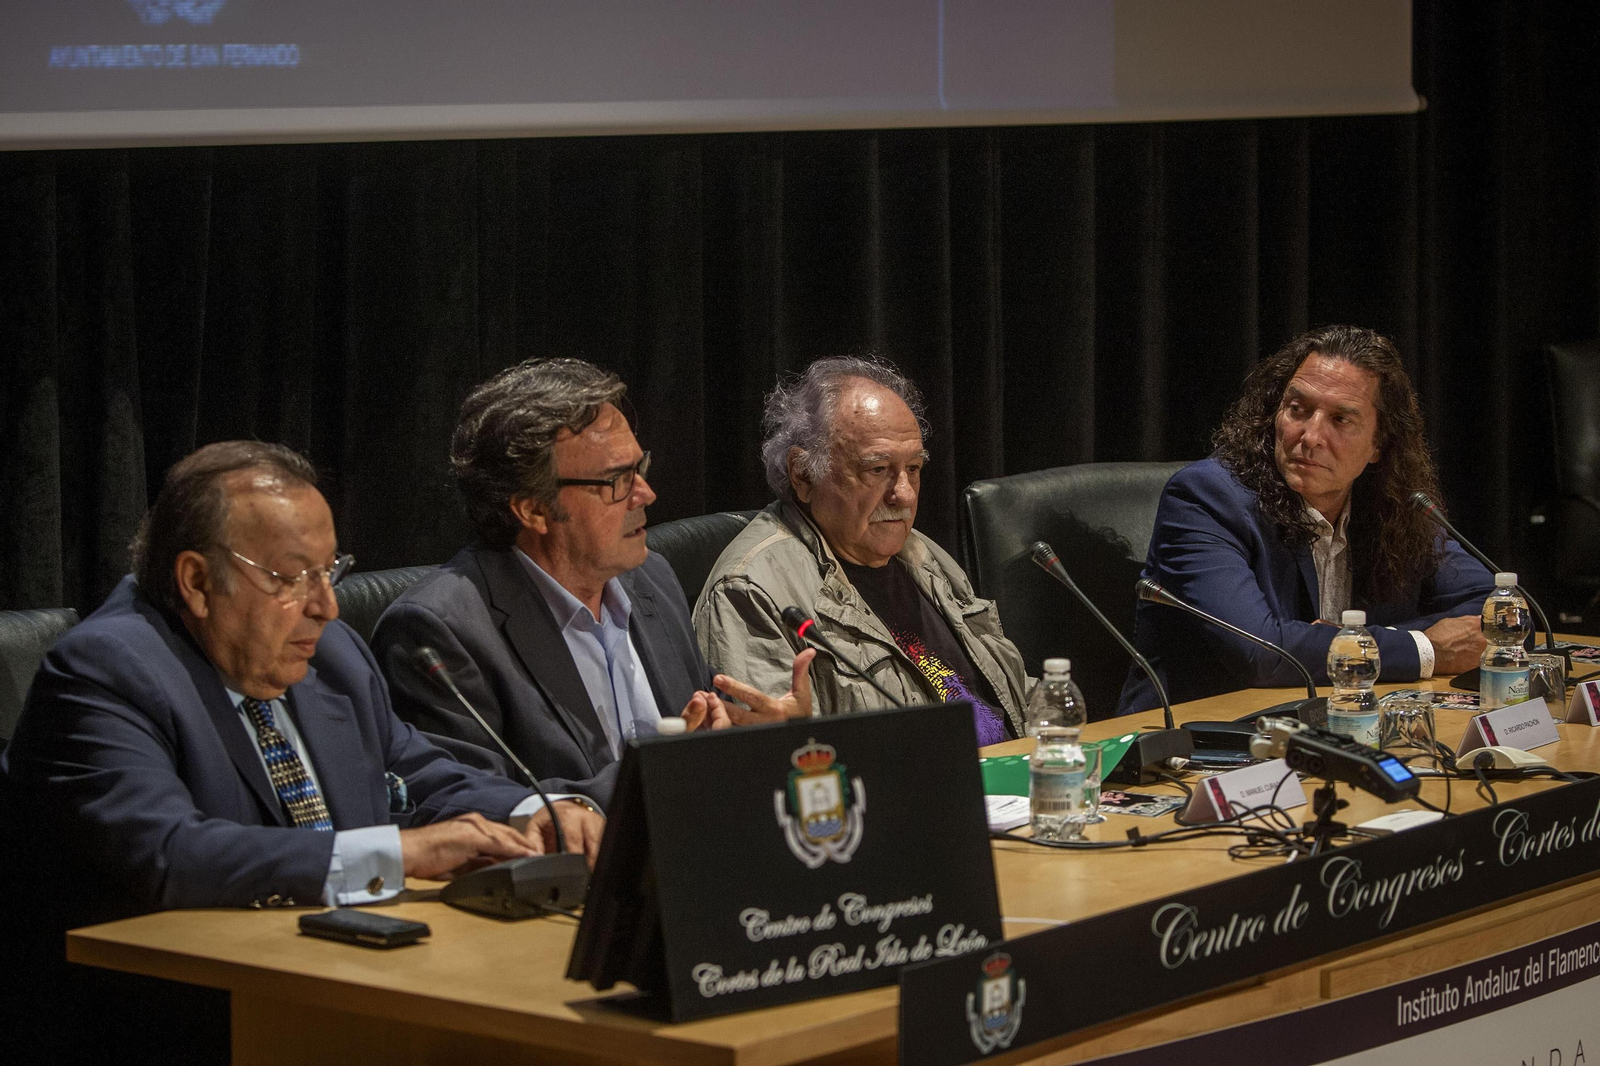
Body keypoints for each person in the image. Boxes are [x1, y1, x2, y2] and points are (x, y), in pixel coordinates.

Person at [0, 441, 603, 1063]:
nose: (326, 606)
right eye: (291, 579)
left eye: (330, 570)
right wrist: (398, 853)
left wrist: (538, 809)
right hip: (173, 1021)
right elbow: (168, 853)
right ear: (197, 581)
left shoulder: (333, 656)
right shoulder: (107, 671)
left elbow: (419, 774)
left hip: (340, 983)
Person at [371, 359, 813, 811]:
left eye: (639, 467)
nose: (645, 494)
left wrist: (760, 740)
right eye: (617, 480)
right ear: (533, 511)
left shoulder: (652, 580)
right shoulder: (439, 632)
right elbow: (469, 806)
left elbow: (701, 734)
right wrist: (672, 772)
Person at [1116, 325, 1494, 714]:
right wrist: (1424, 647)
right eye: (1298, 409)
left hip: (1332, 728)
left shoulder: (1394, 506)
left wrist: (1357, 641)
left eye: (1340, 419)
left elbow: (1500, 611)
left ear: (1379, 444)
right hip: (1196, 743)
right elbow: (1261, 652)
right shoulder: (1206, 498)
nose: (1310, 435)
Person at [694, 356, 1030, 743]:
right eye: (877, 470)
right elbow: (775, 759)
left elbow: (1007, 696)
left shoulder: (923, 555)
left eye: (914, 469)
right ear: (803, 475)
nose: (903, 493)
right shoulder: (749, 591)